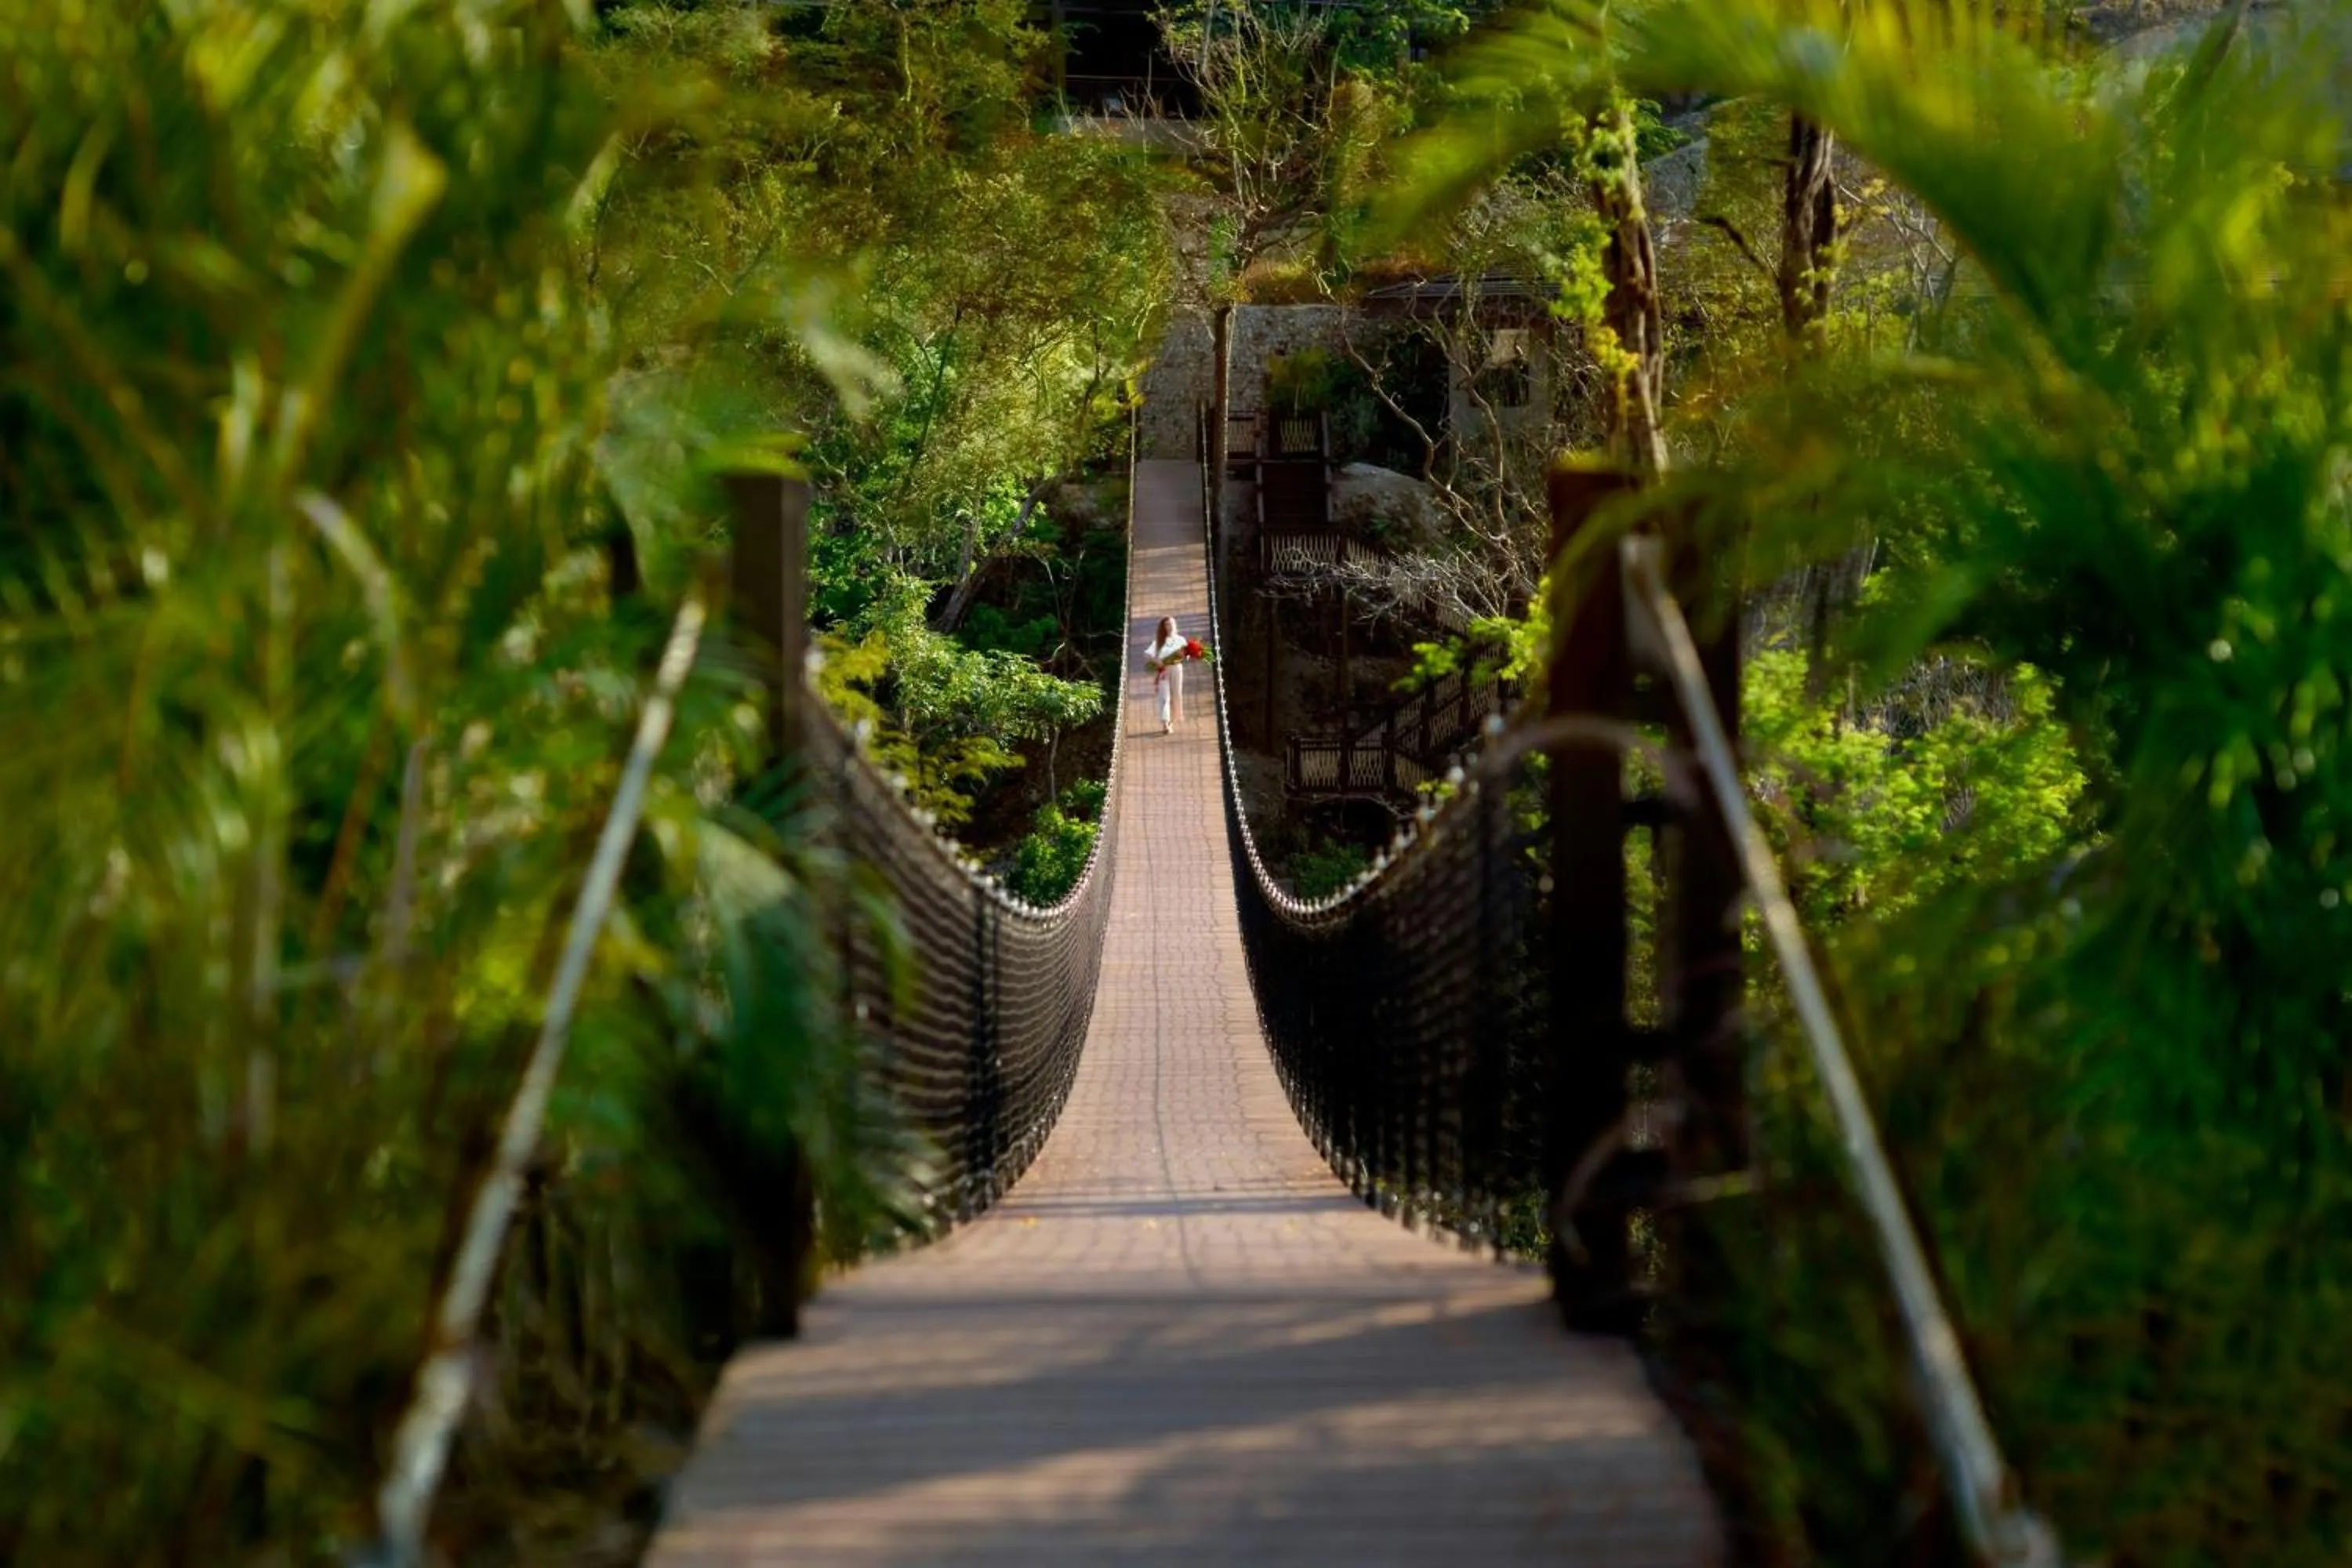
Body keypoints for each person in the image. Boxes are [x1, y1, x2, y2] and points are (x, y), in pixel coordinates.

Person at [1148, 615, 1188, 734]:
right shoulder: (1159, 641)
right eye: (1166, 625)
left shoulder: (1181, 640)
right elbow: (1149, 654)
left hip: (1177, 670)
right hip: (1164, 671)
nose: (1169, 627)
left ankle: (1171, 722)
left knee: (1176, 695)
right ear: (1163, 627)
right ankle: (1165, 723)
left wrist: (1187, 655)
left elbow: (1187, 654)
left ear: (1175, 625)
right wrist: (1158, 662)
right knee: (1164, 697)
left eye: (1171, 624)